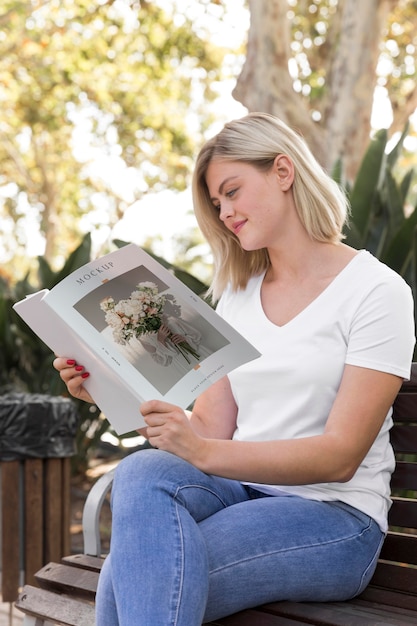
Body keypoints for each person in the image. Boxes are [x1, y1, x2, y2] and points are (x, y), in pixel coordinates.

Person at [54, 112, 415, 625]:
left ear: (283, 172)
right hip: (240, 494)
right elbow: (207, 431)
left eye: (232, 191)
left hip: (335, 518)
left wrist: (202, 449)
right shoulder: (237, 298)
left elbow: (339, 457)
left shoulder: (376, 291)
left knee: (127, 581)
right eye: (216, 203)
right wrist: (110, 390)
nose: (224, 212)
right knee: (141, 472)